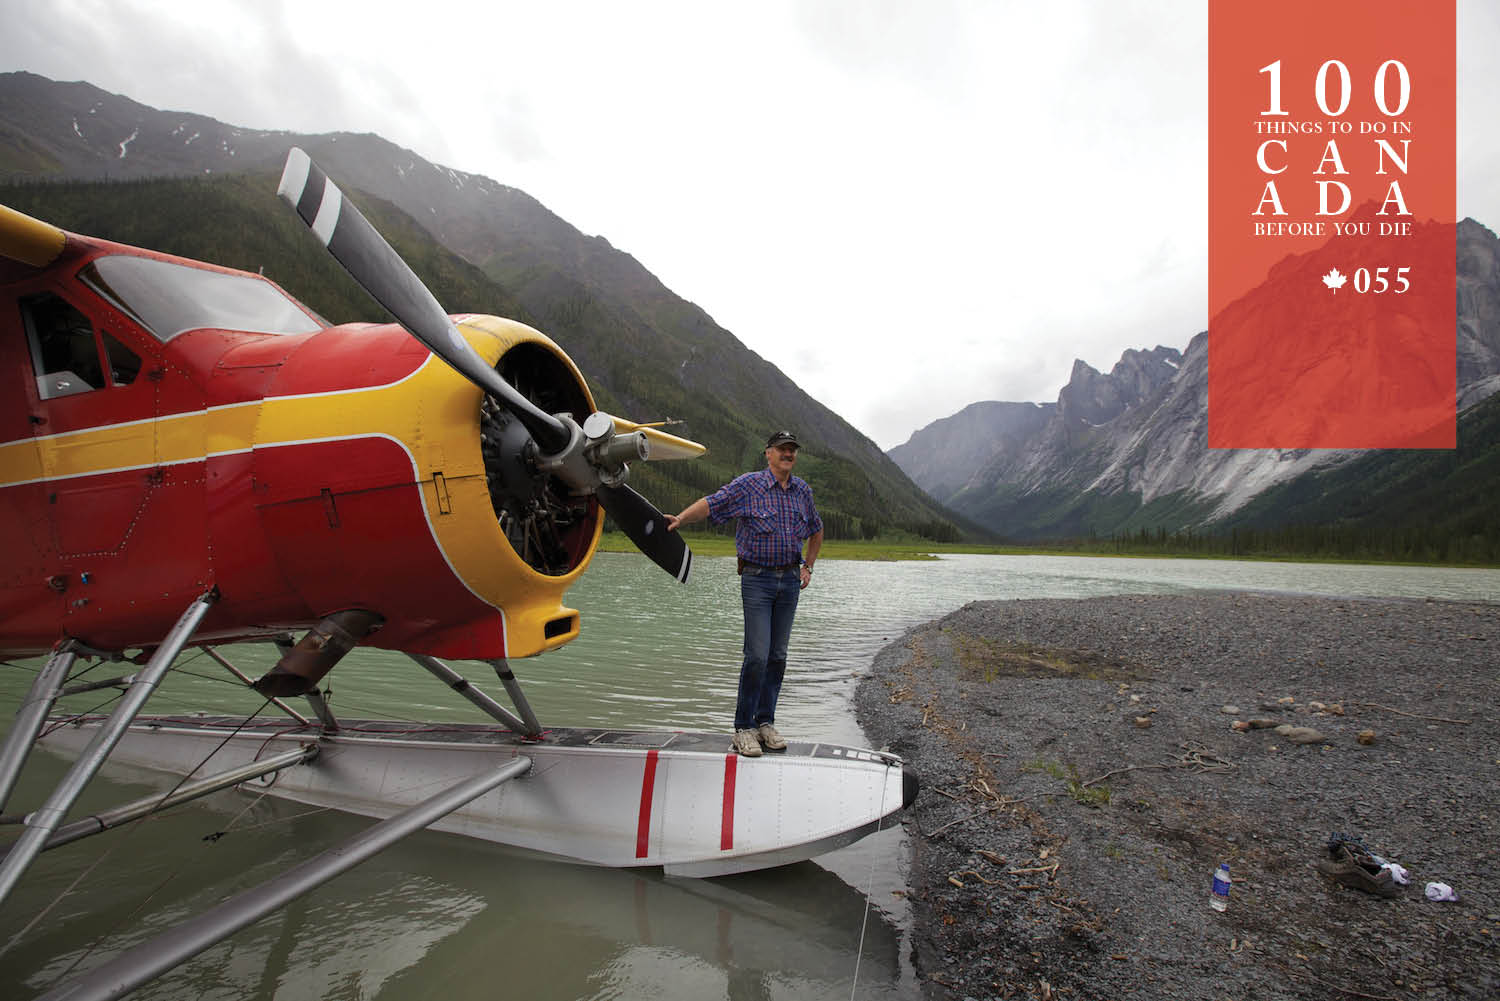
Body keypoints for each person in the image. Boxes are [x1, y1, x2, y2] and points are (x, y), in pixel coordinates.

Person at [665, 430, 824, 757]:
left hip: (790, 581)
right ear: (768, 453)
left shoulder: (801, 491)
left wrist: (808, 566)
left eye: (792, 450)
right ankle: (743, 729)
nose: (788, 454)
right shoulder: (748, 485)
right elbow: (712, 504)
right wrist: (680, 519)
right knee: (757, 655)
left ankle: (765, 723)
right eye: (782, 449)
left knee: (778, 656)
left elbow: (816, 530)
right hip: (757, 580)